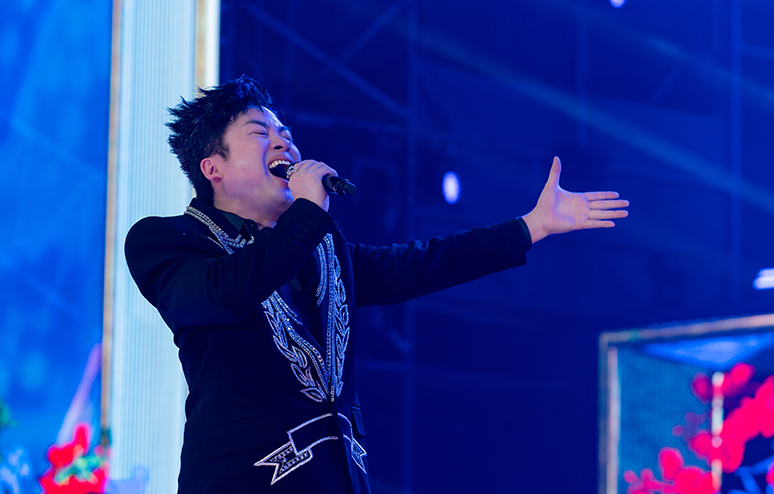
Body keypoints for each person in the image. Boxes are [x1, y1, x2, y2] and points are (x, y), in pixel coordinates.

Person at [124, 75, 629, 494]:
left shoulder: (322, 250)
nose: (284, 142)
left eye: (286, 132)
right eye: (260, 133)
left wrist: (530, 227)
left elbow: (422, 263)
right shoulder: (167, 241)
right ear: (212, 168)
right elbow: (226, 292)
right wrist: (307, 213)